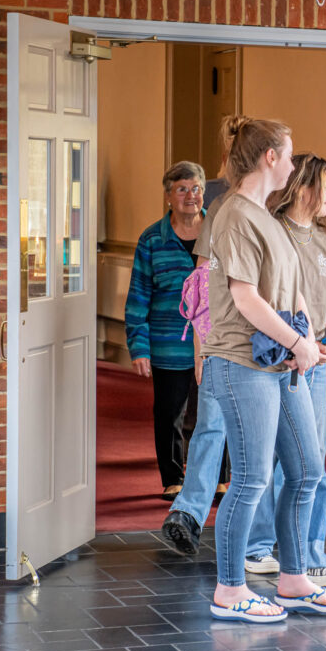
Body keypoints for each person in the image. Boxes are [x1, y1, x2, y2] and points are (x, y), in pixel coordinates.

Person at [202, 118, 326, 621]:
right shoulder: (233, 214)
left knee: (307, 469)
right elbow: (245, 297)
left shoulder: (266, 215)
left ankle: (293, 578)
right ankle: (230, 589)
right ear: (269, 157)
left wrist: (307, 338)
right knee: (250, 479)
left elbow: (294, 290)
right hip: (242, 364)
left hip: (283, 365)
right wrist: (297, 343)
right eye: (287, 156)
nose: (292, 164)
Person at [245, 154, 326, 587]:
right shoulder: (272, 231)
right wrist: (297, 344)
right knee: (271, 458)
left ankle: (309, 552)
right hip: (281, 362)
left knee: (313, 461)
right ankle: (259, 547)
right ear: (304, 186)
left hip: (316, 364)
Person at [161, 116, 252, 554]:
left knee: (253, 438)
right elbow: (201, 283)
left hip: (265, 341)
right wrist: (201, 347)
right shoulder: (215, 203)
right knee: (210, 426)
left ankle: (253, 532)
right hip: (221, 339)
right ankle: (189, 514)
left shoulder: (278, 202)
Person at [125, 161, 207, 501]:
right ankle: (173, 477)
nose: (191, 196)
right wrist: (139, 347)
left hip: (214, 342)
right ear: (168, 197)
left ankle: (218, 475)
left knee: (214, 411)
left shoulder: (220, 233)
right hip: (167, 342)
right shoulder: (152, 239)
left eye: (197, 188)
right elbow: (138, 296)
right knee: (170, 413)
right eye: (182, 189)